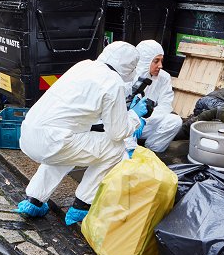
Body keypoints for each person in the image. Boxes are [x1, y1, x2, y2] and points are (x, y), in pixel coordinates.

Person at [17, 42, 152, 225]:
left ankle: (34, 200)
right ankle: (82, 206)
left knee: (71, 150)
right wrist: (136, 116)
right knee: (115, 148)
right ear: (129, 66)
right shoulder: (114, 83)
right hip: (55, 140)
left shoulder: (84, 66)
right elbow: (117, 133)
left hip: (30, 134)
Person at [124, 40, 182, 154]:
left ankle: (152, 152)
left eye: (161, 60)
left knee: (175, 121)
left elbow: (165, 106)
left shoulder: (164, 78)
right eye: (156, 61)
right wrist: (133, 117)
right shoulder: (129, 78)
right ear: (145, 61)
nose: (160, 65)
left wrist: (144, 119)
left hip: (147, 124)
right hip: (127, 125)